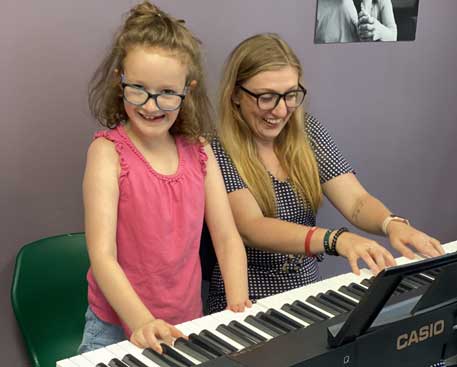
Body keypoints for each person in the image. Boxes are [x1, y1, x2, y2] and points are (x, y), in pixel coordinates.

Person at [207, 33, 444, 314]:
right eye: (267, 97)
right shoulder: (216, 148)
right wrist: (336, 240)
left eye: (291, 95)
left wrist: (390, 223)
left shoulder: (306, 131)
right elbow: (252, 227)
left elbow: (356, 201)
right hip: (247, 297)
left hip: (307, 292)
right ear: (235, 94)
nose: (281, 110)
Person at [79, 1, 250, 354]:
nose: (151, 105)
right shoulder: (107, 153)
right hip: (115, 327)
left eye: (167, 93)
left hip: (185, 323)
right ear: (119, 81)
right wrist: (140, 322)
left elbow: (227, 239)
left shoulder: (201, 153)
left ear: (187, 91)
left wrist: (238, 306)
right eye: (138, 88)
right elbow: (102, 256)